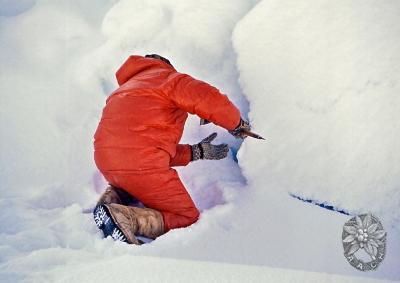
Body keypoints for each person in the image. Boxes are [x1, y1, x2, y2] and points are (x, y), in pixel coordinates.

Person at [93, 54, 250, 244]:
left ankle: (112, 199)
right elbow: (206, 97)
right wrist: (236, 123)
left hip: (107, 162)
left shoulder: (124, 91)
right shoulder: (168, 79)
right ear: (165, 64)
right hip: (140, 163)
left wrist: (196, 151)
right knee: (186, 217)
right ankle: (126, 218)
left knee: (132, 182)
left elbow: (144, 144)